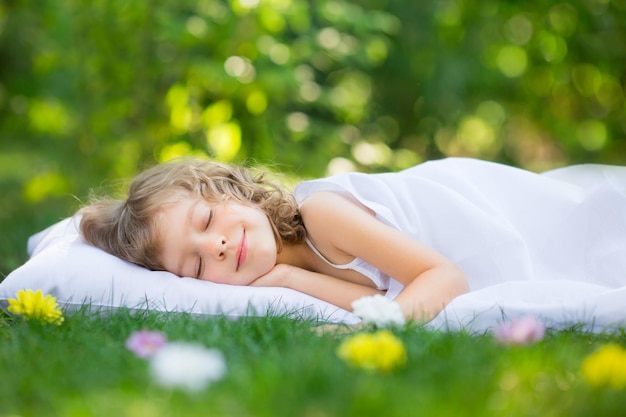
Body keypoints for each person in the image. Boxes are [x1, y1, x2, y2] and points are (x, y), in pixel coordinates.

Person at [79, 157, 626, 323]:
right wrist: (291, 278)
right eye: (196, 268)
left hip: (507, 215)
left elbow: (445, 279)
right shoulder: (281, 274)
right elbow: (381, 297)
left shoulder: (320, 215)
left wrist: (381, 336)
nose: (216, 248)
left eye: (205, 223)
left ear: (227, 190)